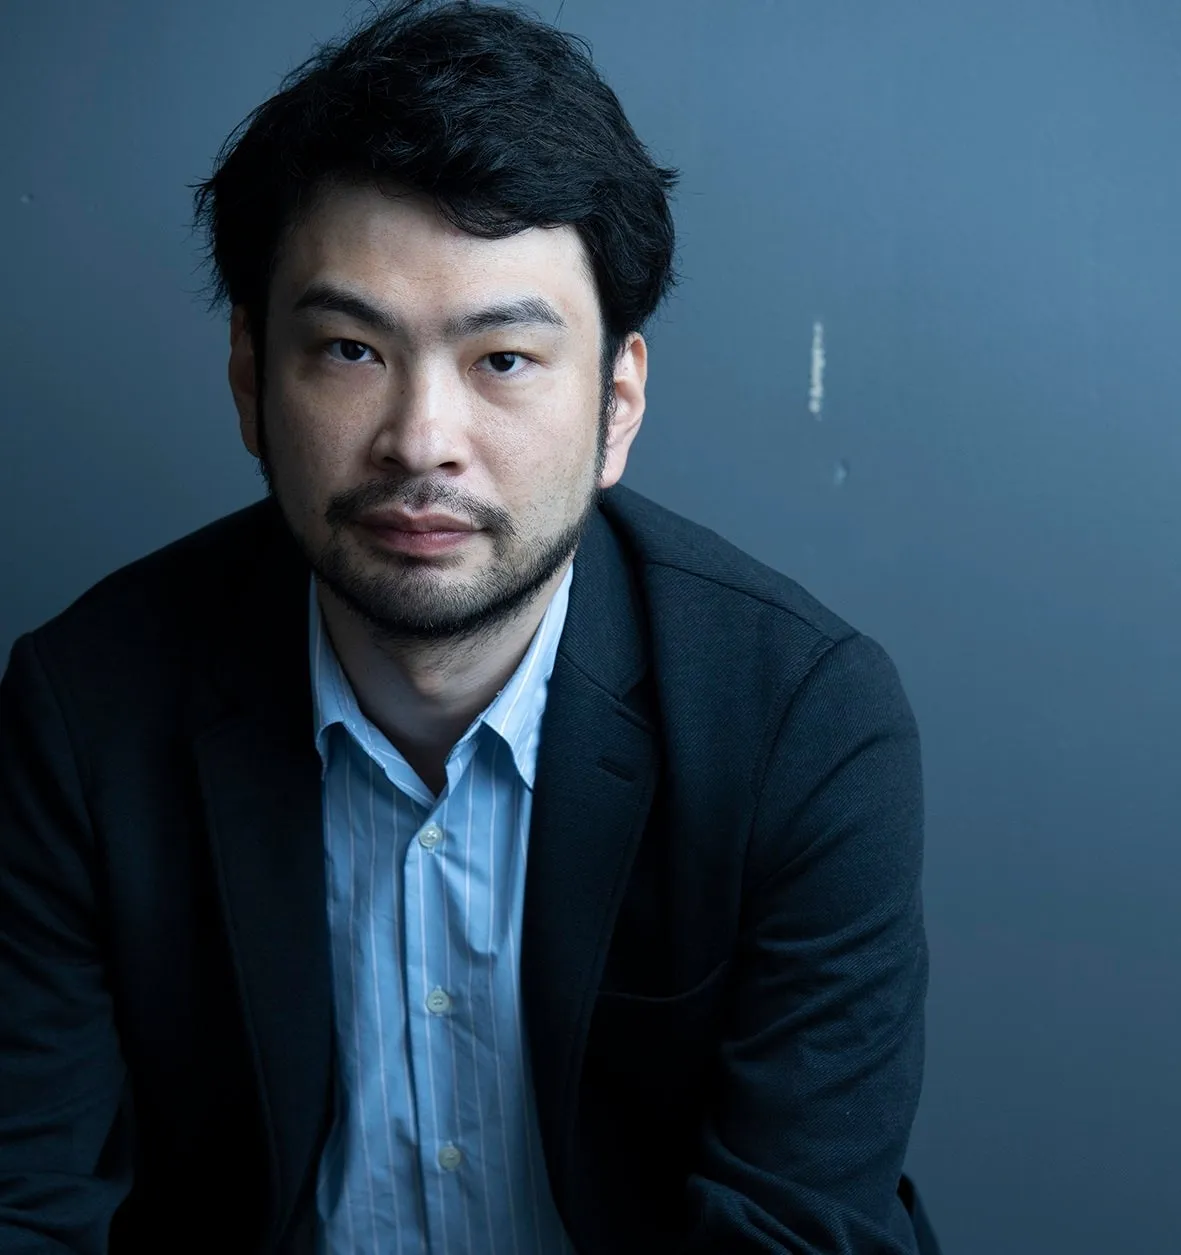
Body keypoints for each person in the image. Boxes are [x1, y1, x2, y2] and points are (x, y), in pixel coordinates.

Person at [0, 2, 942, 1252]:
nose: (420, 442)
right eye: (350, 350)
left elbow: (793, 1226)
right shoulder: (85, 713)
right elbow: (29, 1205)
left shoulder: (800, 723)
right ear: (248, 377)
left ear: (616, 405)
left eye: (502, 359)